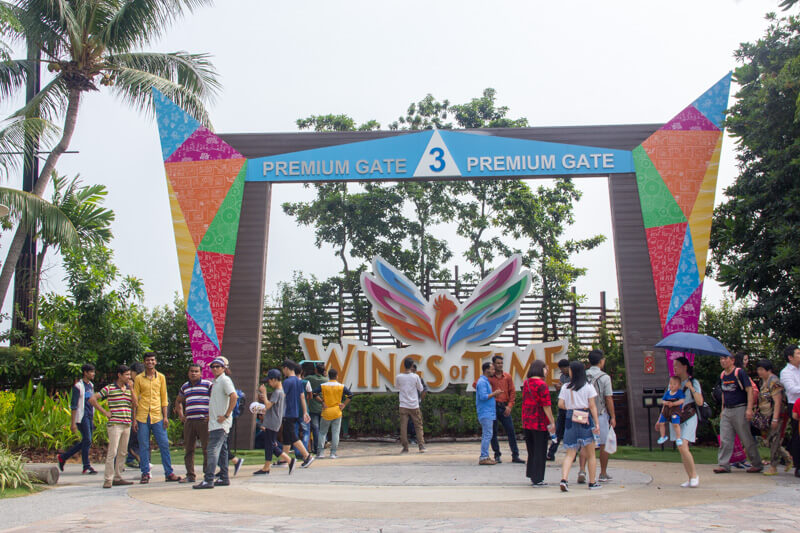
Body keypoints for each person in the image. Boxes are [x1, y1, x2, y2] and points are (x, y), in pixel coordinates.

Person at [134, 352, 181, 483]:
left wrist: (165, 416)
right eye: (147, 360)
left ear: (155, 362)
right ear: (144, 362)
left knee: (164, 444)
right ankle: (145, 473)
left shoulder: (161, 377)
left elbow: (164, 397)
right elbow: (135, 400)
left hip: (157, 416)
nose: (150, 362)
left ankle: (169, 473)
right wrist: (134, 420)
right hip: (142, 416)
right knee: (143, 445)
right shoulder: (138, 378)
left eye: (152, 360)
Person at [713, 352, 764, 474]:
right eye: (721, 359)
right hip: (727, 410)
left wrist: (749, 409)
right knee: (725, 438)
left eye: (725, 358)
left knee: (746, 438)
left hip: (740, 408)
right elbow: (724, 393)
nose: (722, 361)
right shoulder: (723, 375)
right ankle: (724, 465)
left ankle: (756, 463)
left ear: (732, 360)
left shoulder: (739, 373)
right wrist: (722, 409)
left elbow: (749, 390)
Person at [193, 357, 239, 489]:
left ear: (224, 368)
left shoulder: (224, 380)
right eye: (212, 367)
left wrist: (226, 415)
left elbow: (234, 396)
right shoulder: (216, 382)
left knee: (212, 450)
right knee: (223, 451)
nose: (214, 369)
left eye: (217, 366)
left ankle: (208, 479)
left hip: (220, 424)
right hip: (215, 423)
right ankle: (224, 477)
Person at [558, 361, 602, 492]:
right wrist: (597, 423)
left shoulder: (565, 387)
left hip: (570, 417)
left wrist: (571, 408)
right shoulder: (588, 387)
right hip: (584, 417)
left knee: (570, 453)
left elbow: (560, 404)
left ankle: (564, 479)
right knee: (591, 453)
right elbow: (593, 406)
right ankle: (592, 482)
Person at [90, 364, 135, 488]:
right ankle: (108, 478)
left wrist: (131, 389)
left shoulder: (129, 389)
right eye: (126, 375)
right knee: (113, 451)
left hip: (126, 423)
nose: (128, 377)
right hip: (115, 424)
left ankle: (118, 476)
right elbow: (93, 399)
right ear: (119, 375)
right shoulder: (109, 388)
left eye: (129, 375)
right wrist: (105, 412)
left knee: (123, 452)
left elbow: (135, 404)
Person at [579, 350, 615, 482]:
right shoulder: (605, 377)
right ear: (601, 361)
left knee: (584, 442)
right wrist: (613, 416)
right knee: (603, 443)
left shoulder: (583, 375)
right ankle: (603, 473)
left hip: (583, 413)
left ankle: (582, 470)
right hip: (600, 413)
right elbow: (608, 398)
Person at [175, 364, 212, 484]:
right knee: (189, 449)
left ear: (201, 373)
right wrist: (181, 415)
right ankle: (190, 475)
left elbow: (215, 400)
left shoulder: (208, 384)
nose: (194, 373)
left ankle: (208, 475)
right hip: (190, 421)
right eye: (191, 371)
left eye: (196, 371)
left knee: (207, 449)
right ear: (188, 373)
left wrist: (211, 415)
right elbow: (178, 401)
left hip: (204, 421)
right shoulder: (185, 386)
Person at [254, 369, 295, 475]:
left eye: (269, 381)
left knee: (271, 445)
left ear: (274, 379)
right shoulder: (281, 392)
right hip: (275, 421)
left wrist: (264, 394)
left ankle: (289, 460)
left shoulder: (277, 392)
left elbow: (268, 406)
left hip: (272, 422)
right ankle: (266, 467)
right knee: (270, 444)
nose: (269, 383)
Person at [57, 363, 97, 474]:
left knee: (86, 441)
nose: (93, 374)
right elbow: (74, 405)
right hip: (81, 416)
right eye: (91, 372)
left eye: (93, 372)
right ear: (85, 373)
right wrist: (73, 423)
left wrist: (92, 419)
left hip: (89, 415)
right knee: (87, 440)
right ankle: (86, 465)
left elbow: (91, 402)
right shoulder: (78, 387)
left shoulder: (91, 386)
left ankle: (63, 457)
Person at [522, 360, 555, 485]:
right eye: (546, 368)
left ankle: (531, 473)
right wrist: (552, 422)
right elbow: (546, 405)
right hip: (539, 421)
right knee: (540, 450)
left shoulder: (527, 383)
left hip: (527, 420)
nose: (547, 371)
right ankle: (538, 478)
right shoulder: (542, 385)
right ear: (540, 369)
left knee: (531, 449)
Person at [671, 356, 702, 487]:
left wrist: (691, 388)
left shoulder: (693, 382)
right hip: (677, 418)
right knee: (681, 447)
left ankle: (694, 475)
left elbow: (700, 402)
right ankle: (690, 477)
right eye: (674, 366)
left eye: (677, 365)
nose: (674, 368)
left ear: (685, 367)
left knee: (683, 445)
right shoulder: (673, 382)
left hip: (689, 416)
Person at [488, 355, 523, 464]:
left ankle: (515, 455)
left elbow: (512, 392)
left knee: (511, 431)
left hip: (504, 406)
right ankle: (497, 454)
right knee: (493, 432)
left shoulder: (507, 376)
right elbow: (476, 384)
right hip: (493, 406)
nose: (500, 365)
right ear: (493, 364)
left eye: (501, 363)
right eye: (498, 363)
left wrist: (510, 406)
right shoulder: (489, 377)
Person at [280, 360, 315, 468]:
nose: (283, 372)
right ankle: (284, 460)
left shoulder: (287, 382)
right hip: (295, 413)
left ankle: (307, 456)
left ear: (286, 368)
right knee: (287, 436)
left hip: (287, 413)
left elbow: (282, 397)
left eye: (283, 369)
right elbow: (302, 397)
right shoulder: (298, 381)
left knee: (292, 436)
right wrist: (305, 412)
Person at [755, 359, 787, 476]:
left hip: (775, 415)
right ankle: (787, 457)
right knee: (768, 440)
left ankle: (773, 466)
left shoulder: (774, 382)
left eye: (761, 369)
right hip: (765, 415)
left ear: (768, 370)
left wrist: (775, 418)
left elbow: (778, 402)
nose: (759, 372)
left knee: (774, 440)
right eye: (758, 369)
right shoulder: (762, 381)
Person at [316, 368, 353, 458]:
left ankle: (321, 453)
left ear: (329, 376)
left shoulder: (323, 385)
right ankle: (333, 453)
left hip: (326, 411)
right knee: (335, 433)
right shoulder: (341, 386)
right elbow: (350, 395)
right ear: (336, 376)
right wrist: (343, 405)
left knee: (322, 433)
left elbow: (314, 393)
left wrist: (322, 402)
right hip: (337, 411)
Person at [396, 357, 425, 453]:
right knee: (418, 425)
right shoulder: (415, 377)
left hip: (403, 404)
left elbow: (397, 387)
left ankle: (405, 447)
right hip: (414, 405)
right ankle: (421, 446)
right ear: (412, 365)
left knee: (403, 427)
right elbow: (421, 388)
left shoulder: (399, 377)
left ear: (404, 365)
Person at [780, 345, 800, 478]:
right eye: (798, 353)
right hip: (795, 405)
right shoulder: (786, 372)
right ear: (790, 357)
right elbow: (792, 389)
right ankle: (798, 466)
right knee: (798, 435)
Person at [476, 361, 502, 465]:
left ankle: (485, 455)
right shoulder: (482, 382)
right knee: (487, 434)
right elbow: (483, 397)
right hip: (485, 412)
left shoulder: (485, 381)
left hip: (488, 412)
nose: (494, 371)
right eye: (492, 369)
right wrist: (494, 394)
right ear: (486, 370)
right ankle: (483, 457)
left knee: (488, 434)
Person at [547, 359, 571, 461]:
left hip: (570, 407)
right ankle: (551, 453)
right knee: (558, 431)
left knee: (570, 431)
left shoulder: (574, 377)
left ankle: (572, 453)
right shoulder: (562, 376)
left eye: (563, 369)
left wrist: (563, 388)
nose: (562, 371)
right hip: (562, 407)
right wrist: (558, 388)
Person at [656, 375, 685, 446]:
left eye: (674, 384)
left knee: (675, 424)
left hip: (675, 410)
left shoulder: (680, 392)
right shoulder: (667, 393)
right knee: (661, 423)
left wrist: (674, 403)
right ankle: (663, 436)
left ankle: (678, 438)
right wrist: (666, 402)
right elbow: (662, 400)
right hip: (666, 410)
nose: (672, 385)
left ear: (679, 385)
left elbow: (682, 401)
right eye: (671, 383)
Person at [125, 362, 144, 468]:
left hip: (138, 414)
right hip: (130, 414)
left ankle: (131, 458)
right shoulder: (129, 384)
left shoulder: (138, 383)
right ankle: (134, 456)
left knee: (134, 438)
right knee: (131, 438)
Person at [305, 363, 327, 456]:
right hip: (323, 407)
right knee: (322, 429)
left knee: (315, 428)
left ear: (315, 370)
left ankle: (316, 448)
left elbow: (303, 380)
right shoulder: (326, 380)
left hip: (313, 407)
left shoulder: (310, 378)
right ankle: (321, 446)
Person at [407, 362, 428, 445]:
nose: (411, 370)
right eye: (410, 368)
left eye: (412, 369)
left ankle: (416, 439)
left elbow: (424, 389)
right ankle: (411, 437)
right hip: (406, 403)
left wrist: (420, 400)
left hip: (415, 403)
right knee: (408, 421)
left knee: (416, 421)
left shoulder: (418, 378)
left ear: (415, 370)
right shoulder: (405, 378)